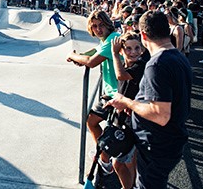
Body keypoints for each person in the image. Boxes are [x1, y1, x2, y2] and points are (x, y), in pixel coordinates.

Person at [105, 10, 193, 189]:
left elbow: (161, 115)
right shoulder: (179, 57)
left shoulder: (156, 64)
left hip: (157, 145)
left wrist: (127, 102)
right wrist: (138, 107)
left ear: (143, 35)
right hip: (170, 141)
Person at [66, 10, 120, 177]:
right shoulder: (108, 39)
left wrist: (72, 55)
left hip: (116, 94)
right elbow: (94, 52)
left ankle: (104, 158)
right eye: (94, 26)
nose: (98, 29)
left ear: (108, 24)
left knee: (92, 121)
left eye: (101, 25)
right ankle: (105, 154)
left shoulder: (112, 39)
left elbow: (91, 62)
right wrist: (79, 57)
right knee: (98, 123)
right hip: (113, 92)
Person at [111, 32, 147, 189]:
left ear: (142, 49)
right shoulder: (127, 65)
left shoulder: (139, 66)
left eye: (137, 48)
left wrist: (114, 53)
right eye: (128, 49)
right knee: (118, 162)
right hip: (121, 119)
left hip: (134, 121)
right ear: (122, 50)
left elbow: (120, 76)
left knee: (127, 161)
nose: (133, 52)